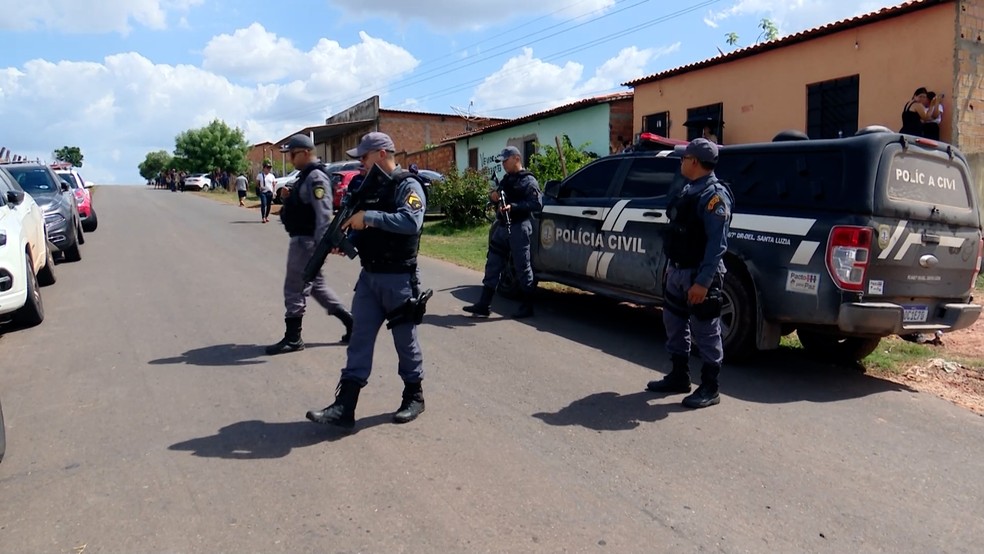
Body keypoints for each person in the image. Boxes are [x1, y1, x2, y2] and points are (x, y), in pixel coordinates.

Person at [306, 132, 429, 430]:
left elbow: (411, 221)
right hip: (370, 277)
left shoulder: (407, 185)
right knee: (359, 338)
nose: (360, 162)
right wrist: (346, 239)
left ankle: (414, 396)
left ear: (383, 153)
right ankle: (344, 406)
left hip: (398, 278)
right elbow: (361, 228)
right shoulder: (367, 188)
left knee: (405, 342)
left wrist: (369, 217)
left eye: (364, 156)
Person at [646, 138, 733, 409]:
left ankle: (710, 387)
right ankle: (679, 375)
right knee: (674, 324)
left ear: (694, 161)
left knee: (706, 330)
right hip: (678, 270)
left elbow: (717, 245)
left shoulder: (714, 196)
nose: (681, 161)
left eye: (684, 158)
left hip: (698, 274)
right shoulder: (690, 189)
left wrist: (704, 282)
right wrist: (669, 269)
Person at [266, 134, 353, 355]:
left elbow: (323, 215)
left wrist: (319, 249)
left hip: (306, 243)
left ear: (305, 153)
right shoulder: (305, 176)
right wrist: (288, 197)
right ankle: (351, 323)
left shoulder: (316, 178)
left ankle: (293, 338)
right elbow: (302, 205)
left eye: (293, 155)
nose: (291, 159)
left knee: (294, 288)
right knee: (317, 287)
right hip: (304, 240)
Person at [462, 145, 542, 319]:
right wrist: (494, 196)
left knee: (522, 266)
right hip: (502, 226)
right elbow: (497, 194)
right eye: (502, 161)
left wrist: (513, 207)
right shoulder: (507, 179)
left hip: (519, 227)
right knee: (493, 263)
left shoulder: (529, 181)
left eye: (506, 160)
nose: (503, 164)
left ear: (516, 159)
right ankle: (484, 304)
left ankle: (527, 306)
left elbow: (536, 205)